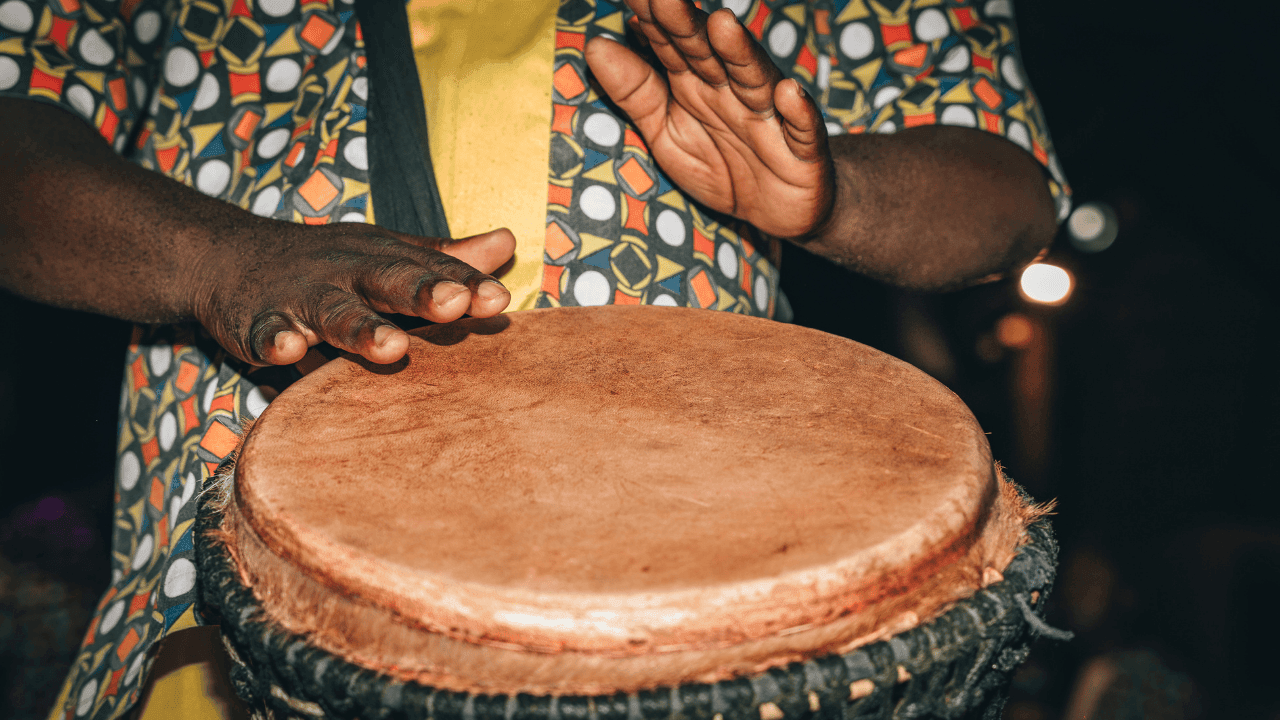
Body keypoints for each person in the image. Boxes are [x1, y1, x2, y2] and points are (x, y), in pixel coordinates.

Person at [0, 0, 1069, 717]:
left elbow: (1007, 188)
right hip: (229, 624)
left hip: (693, 628)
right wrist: (220, 261)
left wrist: (836, 189)